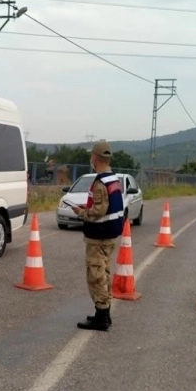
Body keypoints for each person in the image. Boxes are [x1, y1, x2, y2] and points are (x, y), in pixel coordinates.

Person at [70, 141, 124, 331]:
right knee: (104, 272)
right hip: (109, 234)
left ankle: (102, 315)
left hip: (99, 235)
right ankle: (103, 313)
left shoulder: (101, 182)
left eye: (91, 156)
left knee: (96, 274)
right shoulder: (114, 179)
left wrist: (81, 212)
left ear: (95, 158)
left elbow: (99, 210)